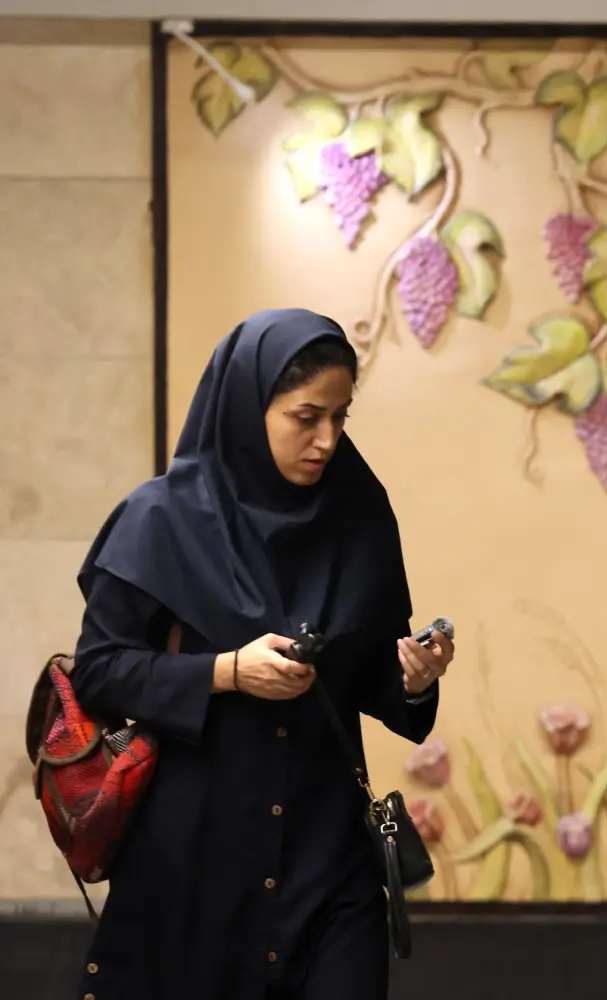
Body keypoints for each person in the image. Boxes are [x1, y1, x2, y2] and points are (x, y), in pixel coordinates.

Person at [68, 309, 455, 999]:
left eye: (340, 416)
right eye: (306, 417)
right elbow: (100, 671)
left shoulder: (358, 513)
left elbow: (369, 676)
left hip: (329, 858)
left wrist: (414, 678)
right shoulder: (160, 520)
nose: (327, 439)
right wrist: (227, 672)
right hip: (196, 859)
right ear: (249, 409)